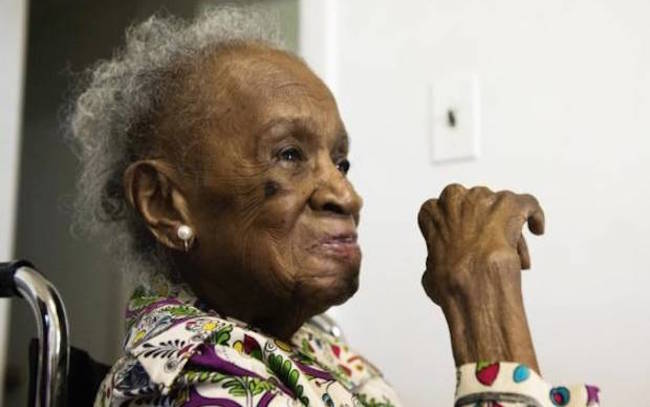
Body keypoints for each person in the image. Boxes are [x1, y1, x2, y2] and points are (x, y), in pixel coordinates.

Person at [67, 6, 599, 407]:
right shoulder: (195, 385)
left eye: (341, 162)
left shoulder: (307, 342)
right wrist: (484, 312)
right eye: (289, 155)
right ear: (164, 203)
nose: (346, 195)